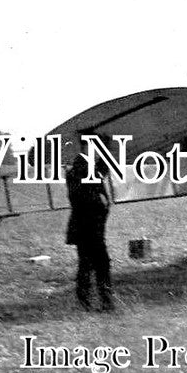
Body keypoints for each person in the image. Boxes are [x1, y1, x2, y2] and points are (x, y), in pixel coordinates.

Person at [65, 131, 115, 311]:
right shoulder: (81, 169)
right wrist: (101, 201)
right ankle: (101, 302)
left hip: (87, 226)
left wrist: (106, 147)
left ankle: (89, 302)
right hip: (88, 226)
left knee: (88, 264)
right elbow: (84, 196)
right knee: (98, 263)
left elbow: (102, 168)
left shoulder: (84, 167)